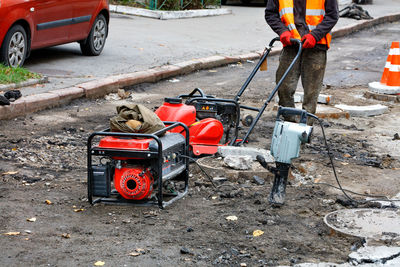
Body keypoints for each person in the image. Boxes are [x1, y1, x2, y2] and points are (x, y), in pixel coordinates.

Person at [265, 0, 339, 122]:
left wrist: (315, 35)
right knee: (284, 86)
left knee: (311, 91)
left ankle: (305, 128)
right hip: (291, 44)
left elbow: (332, 15)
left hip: (316, 46)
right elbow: (270, 13)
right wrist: (282, 31)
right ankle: (289, 124)